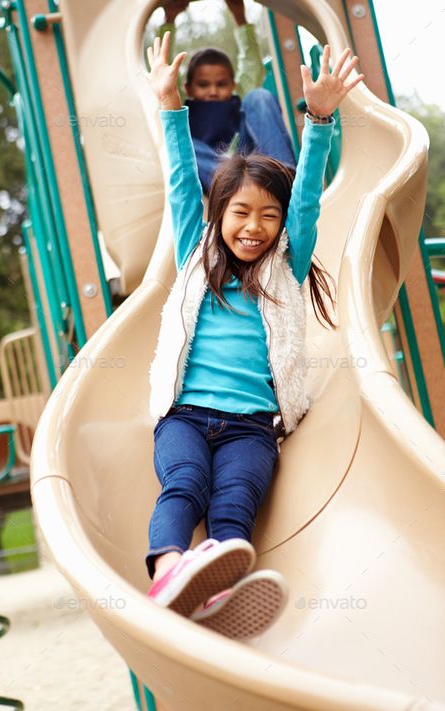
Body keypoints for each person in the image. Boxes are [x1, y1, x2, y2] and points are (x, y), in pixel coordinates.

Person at [145, 32, 364, 639]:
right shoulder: (197, 250)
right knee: (184, 485)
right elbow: (180, 186)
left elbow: (308, 203)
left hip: (251, 425)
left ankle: (217, 594)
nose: (255, 227)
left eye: (268, 217)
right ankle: (167, 572)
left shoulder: (283, 268)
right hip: (185, 416)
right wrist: (170, 107)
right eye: (241, 213)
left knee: (236, 502)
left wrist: (318, 118)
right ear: (219, 216)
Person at [158, 0, 296, 192]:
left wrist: (240, 17)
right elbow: (163, 79)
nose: (213, 91)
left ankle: (284, 173)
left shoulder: (237, 98)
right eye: (203, 85)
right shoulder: (183, 106)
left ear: (233, 84)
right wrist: (169, 20)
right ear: (188, 88)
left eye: (221, 84)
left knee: (258, 96)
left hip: (249, 163)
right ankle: (232, 184)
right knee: (180, 143)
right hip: (216, 174)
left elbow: (251, 65)